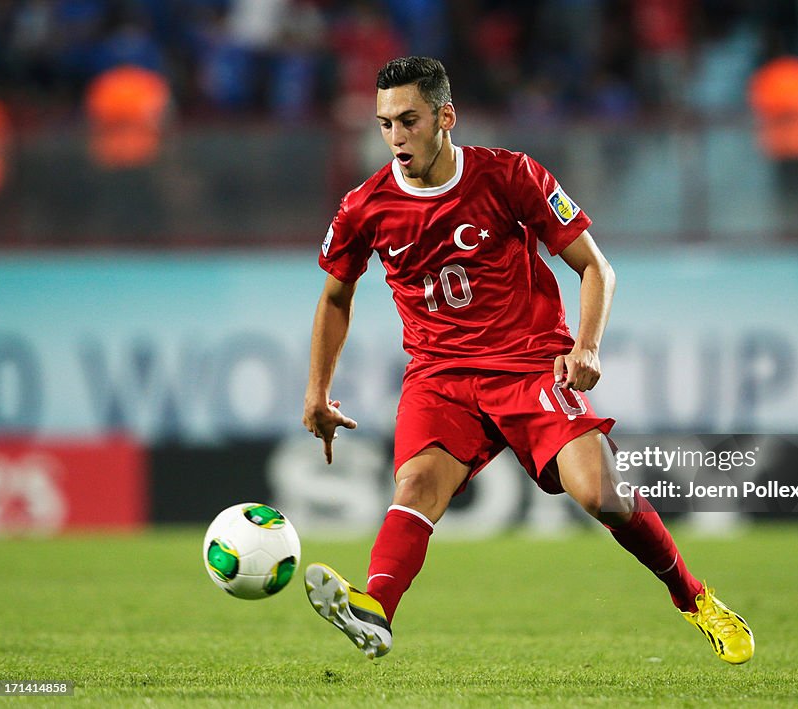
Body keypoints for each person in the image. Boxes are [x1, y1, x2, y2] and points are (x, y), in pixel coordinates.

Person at [301, 56, 754, 665]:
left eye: (408, 120)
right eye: (385, 124)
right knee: (415, 485)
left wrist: (586, 346)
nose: (396, 137)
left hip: (529, 367)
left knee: (601, 495)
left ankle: (694, 598)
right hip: (440, 377)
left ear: (445, 116)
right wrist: (317, 391)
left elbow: (596, 268)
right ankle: (376, 610)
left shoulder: (510, 175)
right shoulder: (366, 206)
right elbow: (336, 295)